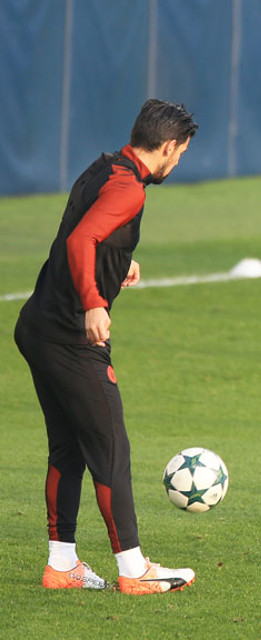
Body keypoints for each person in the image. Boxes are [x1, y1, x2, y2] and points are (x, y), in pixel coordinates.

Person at [14, 99, 199, 595]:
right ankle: (134, 569)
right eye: (179, 153)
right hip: (71, 337)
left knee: (68, 447)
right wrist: (96, 301)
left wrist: (119, 267)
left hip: (37, 326)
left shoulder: (105, 167)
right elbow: (80, 242)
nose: (178, 162)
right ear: (165, 146)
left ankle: (63, 565)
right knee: (110, 448)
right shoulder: (129, 189)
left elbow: (90, 234)